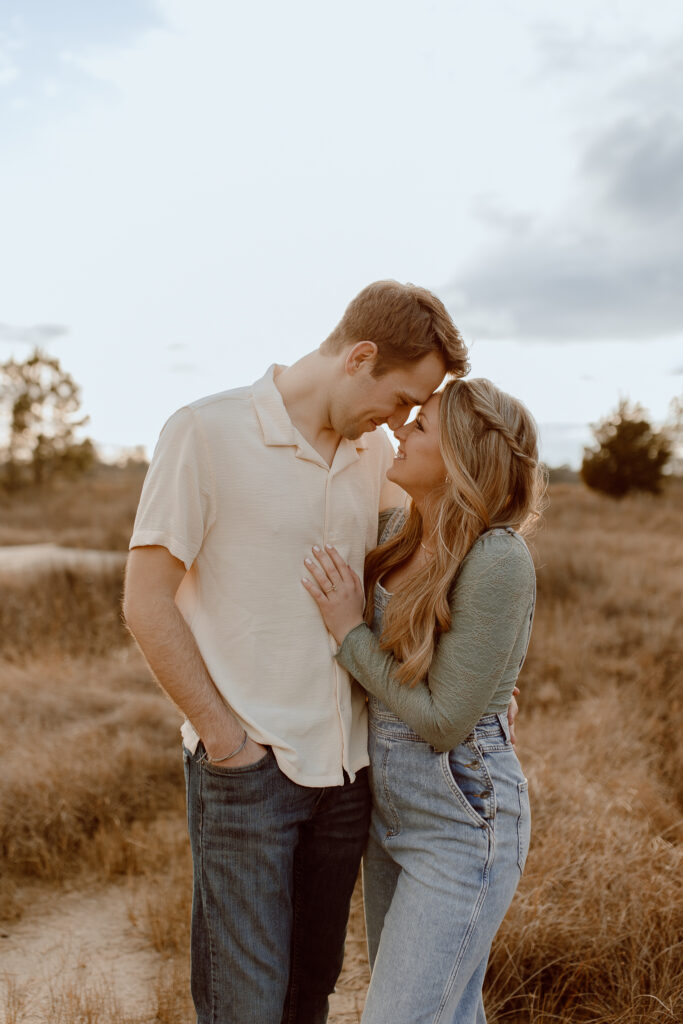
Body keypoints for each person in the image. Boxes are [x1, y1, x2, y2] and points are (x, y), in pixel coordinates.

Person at [122, 280, 471, 1024]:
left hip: (348, 773)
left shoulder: (373, 452)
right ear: (361, 357)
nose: (403, 420)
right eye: (404, 399)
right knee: (243, 1006)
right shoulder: (204, 431)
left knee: (307, 994)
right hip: (246, 771)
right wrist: (225, 741)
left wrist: (479, 664)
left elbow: (416, 571)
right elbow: (145, 599)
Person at [301, 377, 543, 1024]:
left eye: (419, 427)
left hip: (463, 812)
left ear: (462, 453)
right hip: (391, 813)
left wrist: (350, 634)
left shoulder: (497, 557)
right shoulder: (395, 534)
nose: (396, 431)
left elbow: (441, 723)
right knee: (447, 1012)